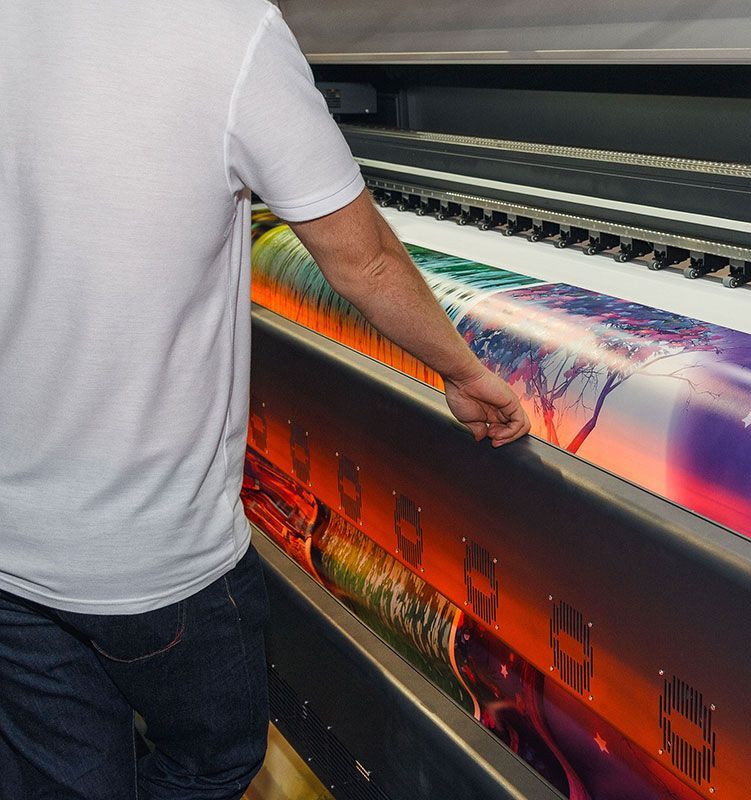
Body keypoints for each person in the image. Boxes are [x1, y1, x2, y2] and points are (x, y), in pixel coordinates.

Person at [0, 1, 531, 798]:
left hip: (14, 545)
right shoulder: (227, 30)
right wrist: (463, 371)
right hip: (160, 559)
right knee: (215, 760)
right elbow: (365, 261)